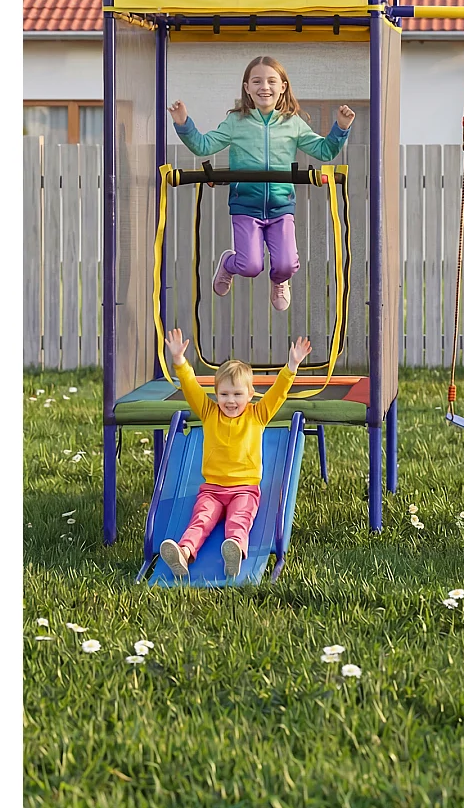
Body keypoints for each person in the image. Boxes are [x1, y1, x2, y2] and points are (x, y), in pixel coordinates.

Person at [169, 56, 355, 311]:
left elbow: (324, 151)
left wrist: (341, 128)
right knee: (250, 266)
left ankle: (279, 281)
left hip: (281, 207)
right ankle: (228, 264)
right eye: (256, 81)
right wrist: (183, 123)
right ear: (247, 88)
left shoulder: (293, 123)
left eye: (271, 81)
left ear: (283, 87)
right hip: (246, 205)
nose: (264, 87)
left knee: (287, 265)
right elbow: (204, 146)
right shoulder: (236, 122)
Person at [157, 327, 312, 580]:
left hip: (245, 488)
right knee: (201, 519)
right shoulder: (208, 413)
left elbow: (278, 393)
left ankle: (235, 551)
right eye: (224, 394)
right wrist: (179, 361)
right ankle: (183, 553)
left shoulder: (258, 415)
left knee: (239, 520)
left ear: (250, 395)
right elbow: (190, 388)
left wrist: (292, 366)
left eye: (238, 394)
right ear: (216, 394)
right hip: (212, 489)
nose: (231, 400)